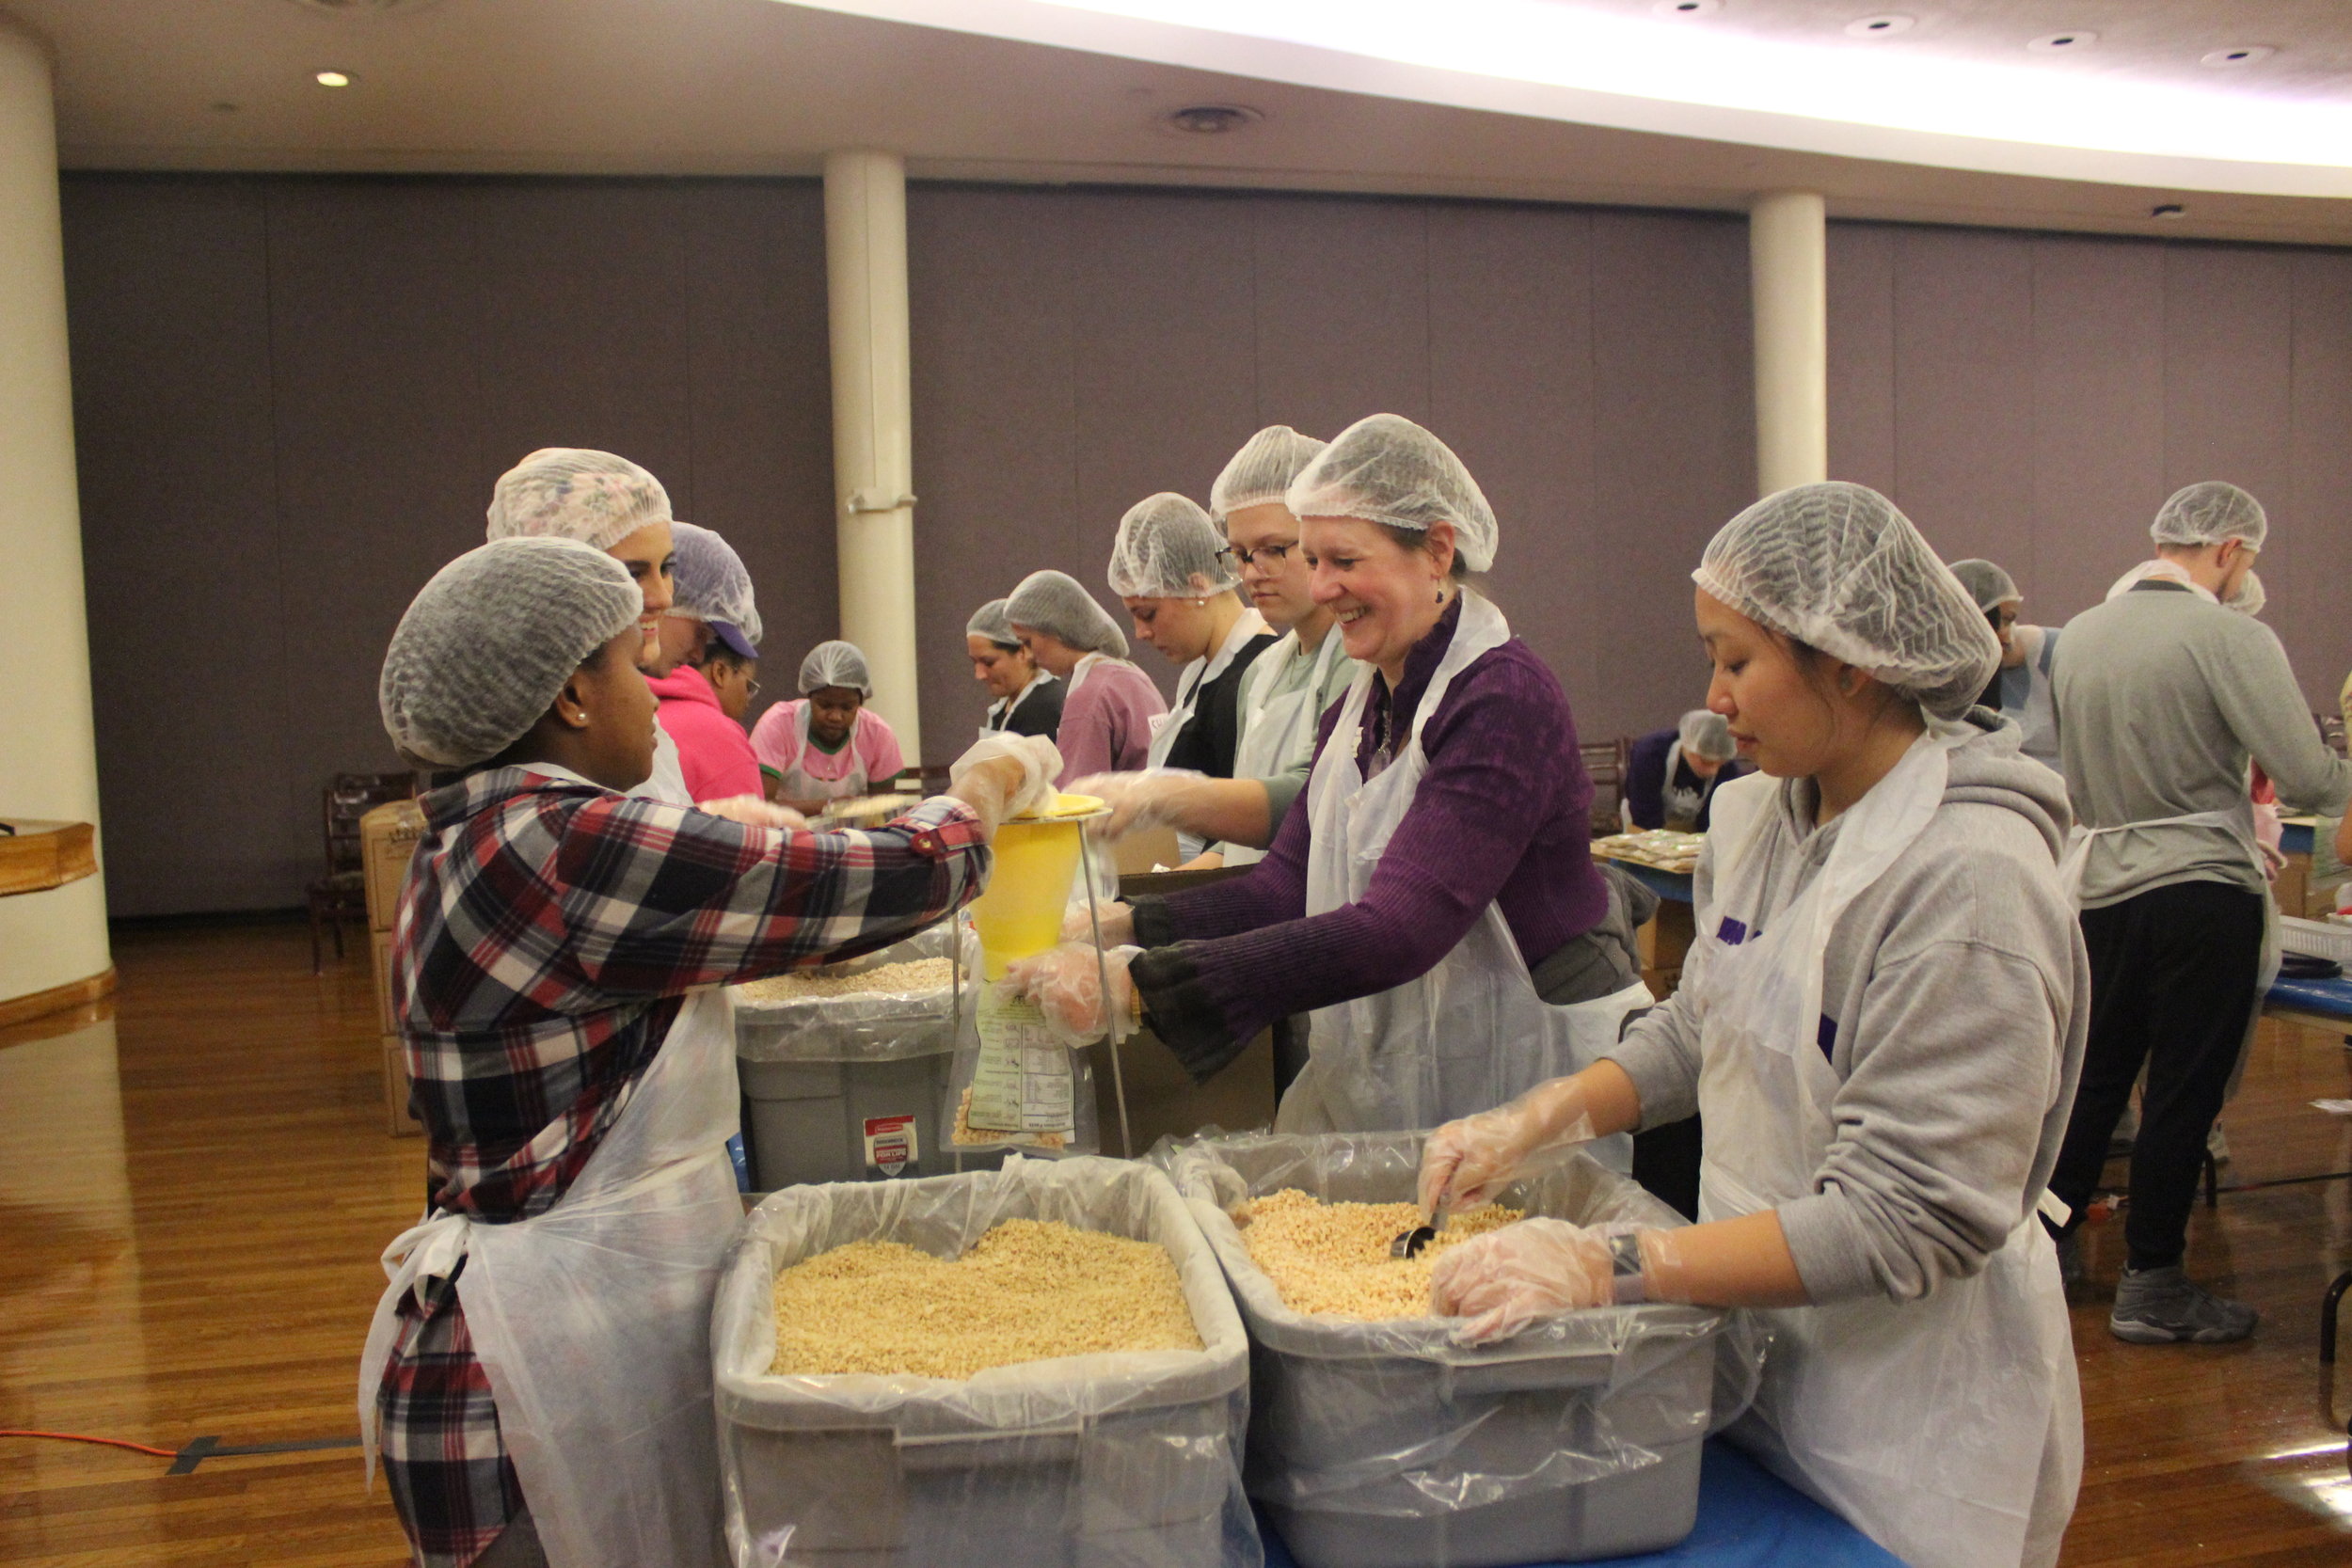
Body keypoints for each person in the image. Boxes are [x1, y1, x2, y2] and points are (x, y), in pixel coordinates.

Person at [1412, 482, 2084, 1568]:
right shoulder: (1769, 812)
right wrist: (1536, 1118)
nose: (1713, 695)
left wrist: (1608, 1265)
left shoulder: (1969, 883)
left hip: (1907, 1398)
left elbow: (1907, 1214)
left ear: (1849, 661)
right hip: (1757, 1337)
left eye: (1736, 659)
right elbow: (1702, 1028)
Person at [360, 535, 1057, 1568]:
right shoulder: (563, 845)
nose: (657, 696)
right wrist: (987, 786)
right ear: (571, 697)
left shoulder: (484, 832)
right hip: (527, 1384)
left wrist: (722, 846)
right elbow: (900, 874)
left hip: (547, 1326)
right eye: (631, 666)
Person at [1007, 414, 1653, 1139]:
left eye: (1342, 560)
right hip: (1436, 1050)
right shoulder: (1357, 707)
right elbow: (1284, 887)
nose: (1321, 586)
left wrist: (1142, 986)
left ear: (1437, 549)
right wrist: (1116, 926)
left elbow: (1400, 929)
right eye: (1310, 560)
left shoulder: (1501, 699)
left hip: (1536, 1063)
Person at [2044, 482, 2352, 1343]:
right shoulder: (2230, 635)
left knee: (2092, 1082)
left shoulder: (2080, 637)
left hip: (2100, 889)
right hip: (2198, 889)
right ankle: (2154, 1281)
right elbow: (2304, 773)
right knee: (2183, 1091)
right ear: (2229, 550)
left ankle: (2044, 1246)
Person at [1072, 425, 1359, 872]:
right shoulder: (1263, 673)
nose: (1252, 572)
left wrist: (1169, 797)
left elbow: (1316, 798)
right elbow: (1238, 846)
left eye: (1272, 549)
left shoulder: (1355, 656)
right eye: (1240, 555)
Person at [484, 447, 701, 808]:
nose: (662, 597)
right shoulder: (556, 756)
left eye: (666, 567)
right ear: (558, 586)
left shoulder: (634, 728)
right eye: (632, 574)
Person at [1108, 493, 1277, 806]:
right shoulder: (1203, 674)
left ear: (1198, 587)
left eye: (1148, 614)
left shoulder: (1255, 677)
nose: (1140, 633)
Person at [1005, 568, 1168, 784]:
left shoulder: (1090, 698)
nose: (1029, 656)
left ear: (1055, 629)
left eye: (1028, 642)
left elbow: (1076, 800)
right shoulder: (1134, 678)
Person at [646, 521, 765, 802]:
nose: (698, 655)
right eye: (701, 632)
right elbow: (748, 842)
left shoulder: (619, 709)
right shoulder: (715, 736)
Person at [750, 641, 908, 813]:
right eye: (825, 706)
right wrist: (834, 807)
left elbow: (882, 811)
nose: (835, 716)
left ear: (861, 702)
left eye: (847, 707)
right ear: (809, 696)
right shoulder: (778, 724)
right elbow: (761, 806)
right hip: (784, 835)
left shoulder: (877, 734)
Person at [1949, 558, 2061, 771]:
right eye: (1997, 621)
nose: (2006, 634)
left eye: (2010, 619)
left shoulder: (2053, 653)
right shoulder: (1957, 679)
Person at [1625, 709, 1750, 832]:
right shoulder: (1651, 753)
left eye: (1720, 764)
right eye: (1706, 762)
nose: (1713, 771)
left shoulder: (1728, 766)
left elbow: (1714, 819)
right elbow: (1645, 816)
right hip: (1645, 825)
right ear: (1687, 745)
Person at [968, 597, 1063, 741]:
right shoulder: (1007, 704)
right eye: (974, 662)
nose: (979, 674)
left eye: (988, 662)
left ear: (1024, 651)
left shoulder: (1043, 710)